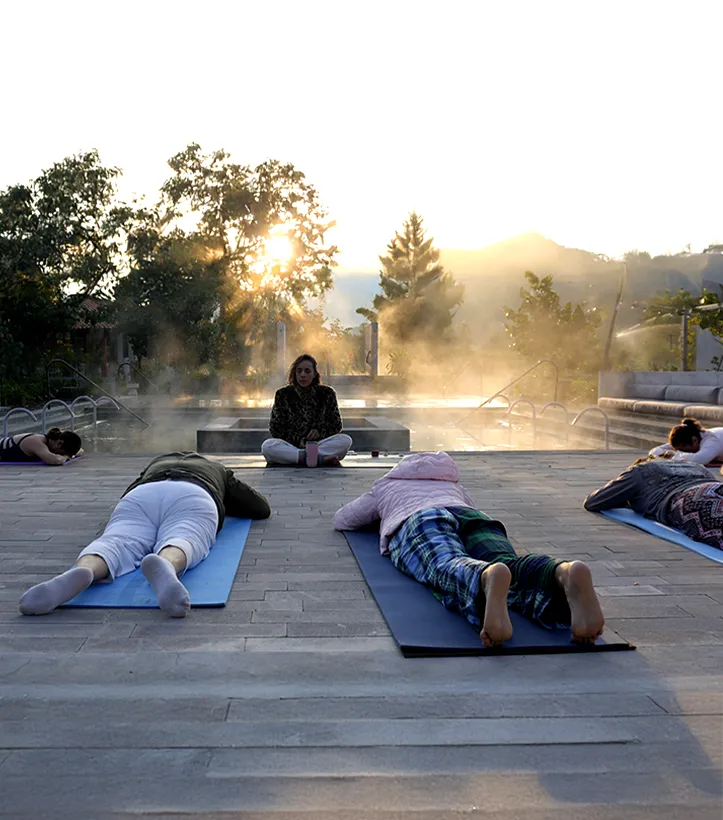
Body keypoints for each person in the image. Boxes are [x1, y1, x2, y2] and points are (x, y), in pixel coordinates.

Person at [333, 451, 605, 647]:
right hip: (472, 516)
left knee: (446, 562)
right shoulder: (453, 484)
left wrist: (383, 512)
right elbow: (471, 507)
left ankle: (484, 577)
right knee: (508, 562)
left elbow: (344, 519)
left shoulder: (387, 485)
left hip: (421, 518)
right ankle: (561, 572)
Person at [19, 451, 271, 617]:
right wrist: (224, 496)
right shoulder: (215, 468)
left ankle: (86, 569)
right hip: (194, 493)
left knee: (116, 541)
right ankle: (166, 563)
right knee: (185, 536)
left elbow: (129, 491)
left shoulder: (155, 464)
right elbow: (260, 508)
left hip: (143, 494)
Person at [584, 452, 723, 550]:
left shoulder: (640, 470)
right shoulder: (696, 466)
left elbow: (593, 501)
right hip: (715, 487)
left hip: (690, 497)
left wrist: (628, 500)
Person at [262, 353, 352, 467]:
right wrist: (298, 439)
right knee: (268, 446)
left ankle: (302, 457)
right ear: (294, 374)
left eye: (307, 371)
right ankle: (314, 458)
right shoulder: (283, 394)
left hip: (318, 444)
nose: (302, 375)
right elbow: (275, 428)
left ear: (314, 374)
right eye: (299, 371)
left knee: (345, 440)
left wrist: (319, 432)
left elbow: (336, 425)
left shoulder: (327, 393)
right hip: (292, 445)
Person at [649, 418, 723, 464]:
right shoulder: (687, 438)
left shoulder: (712, 441)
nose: (684, 453)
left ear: (695, 440)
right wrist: (667, 453)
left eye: (684, 451)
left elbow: (699, 459)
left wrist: (673, 455)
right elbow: (654, 451)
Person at [0, 428, 83, 465]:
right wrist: (66, 456)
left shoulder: (55, 440)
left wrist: (70, 454)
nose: (59, 454)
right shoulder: (36, 442)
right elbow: (54, 461)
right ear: (59, 444)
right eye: (61, 453)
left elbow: (80, 451)